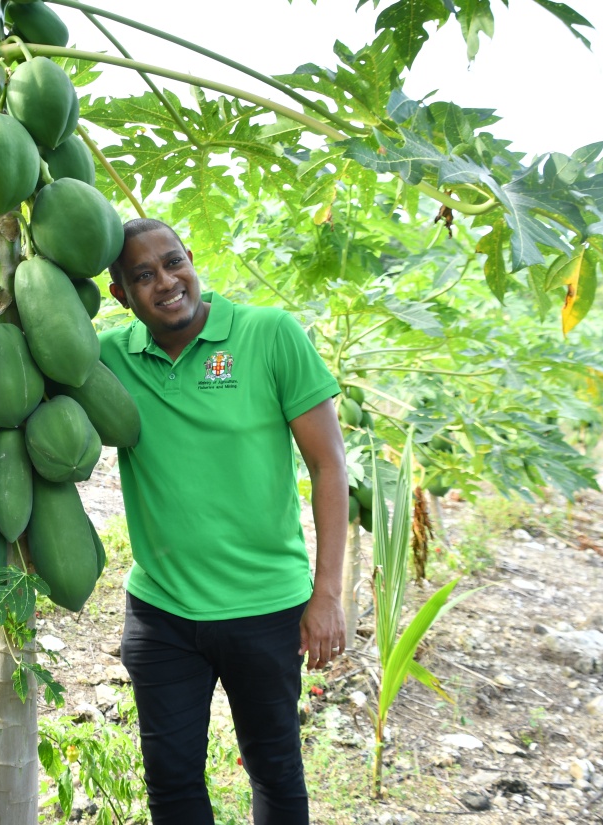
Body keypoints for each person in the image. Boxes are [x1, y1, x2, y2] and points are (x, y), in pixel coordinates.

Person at [101, 218, 348, 825]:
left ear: (190, 258)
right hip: (162, 614)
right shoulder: (108, 359)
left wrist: (327, 594)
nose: (166, 282)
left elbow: (329, 466)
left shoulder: (269, 334)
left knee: (274, 768)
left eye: (173, 262)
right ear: (121, 296)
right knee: (171, 781)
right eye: (143, 276)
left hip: (265, 608)